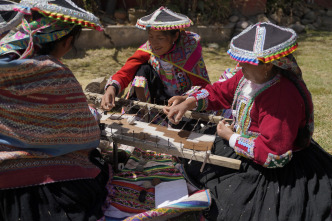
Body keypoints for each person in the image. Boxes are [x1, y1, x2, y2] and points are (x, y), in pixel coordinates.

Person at [164, 22, 332, 221]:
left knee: (241, 202)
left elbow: (273, 153)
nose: (239, 66)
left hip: (275, 168)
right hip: (247, 147)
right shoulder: (248, 78)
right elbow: (220, 91)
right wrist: (189, 102)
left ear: (268, 64)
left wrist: (231, 137)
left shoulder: (281, 97)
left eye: (245, 62)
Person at [0, 1, 109, 220]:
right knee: (96, 160)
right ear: (67, 41)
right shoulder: (55, 73)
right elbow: (85, 133)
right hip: (51, 192)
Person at [101, 6, 210, 110]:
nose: (153, 43)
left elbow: (202, 86)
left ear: (175, 36)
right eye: (151, 37)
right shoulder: (148, 49)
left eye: (160, 38)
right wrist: (112, 88)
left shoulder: (189, 50)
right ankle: (143, 110)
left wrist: (184, 99)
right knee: (142, 69)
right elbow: (126, 71)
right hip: (158, 98)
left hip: (183, 102)